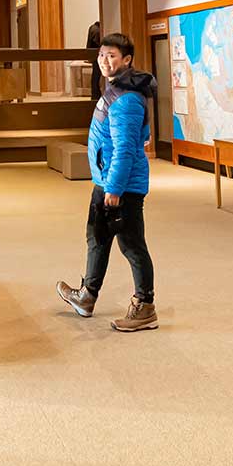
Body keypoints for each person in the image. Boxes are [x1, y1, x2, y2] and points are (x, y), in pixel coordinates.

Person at [56, 32, 158, 332]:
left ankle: (145, 306)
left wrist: (114, 188)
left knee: (131, 245)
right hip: (106, 179)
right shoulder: (115, 88)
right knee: (97, 238)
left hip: (121, 186)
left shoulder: (126, 99)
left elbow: (125, 148)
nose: (105, 60)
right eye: (102, 55)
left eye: (112, 56)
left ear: (127, 60)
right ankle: (87, 296)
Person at [85, 20, 102, 101]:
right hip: (96, 56)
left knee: (95, 77)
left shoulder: (93, 28)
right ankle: (96, 96)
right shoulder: (97, 30)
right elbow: (97, 42)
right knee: (96, 77)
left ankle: (95, 96)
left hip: (92, 56)